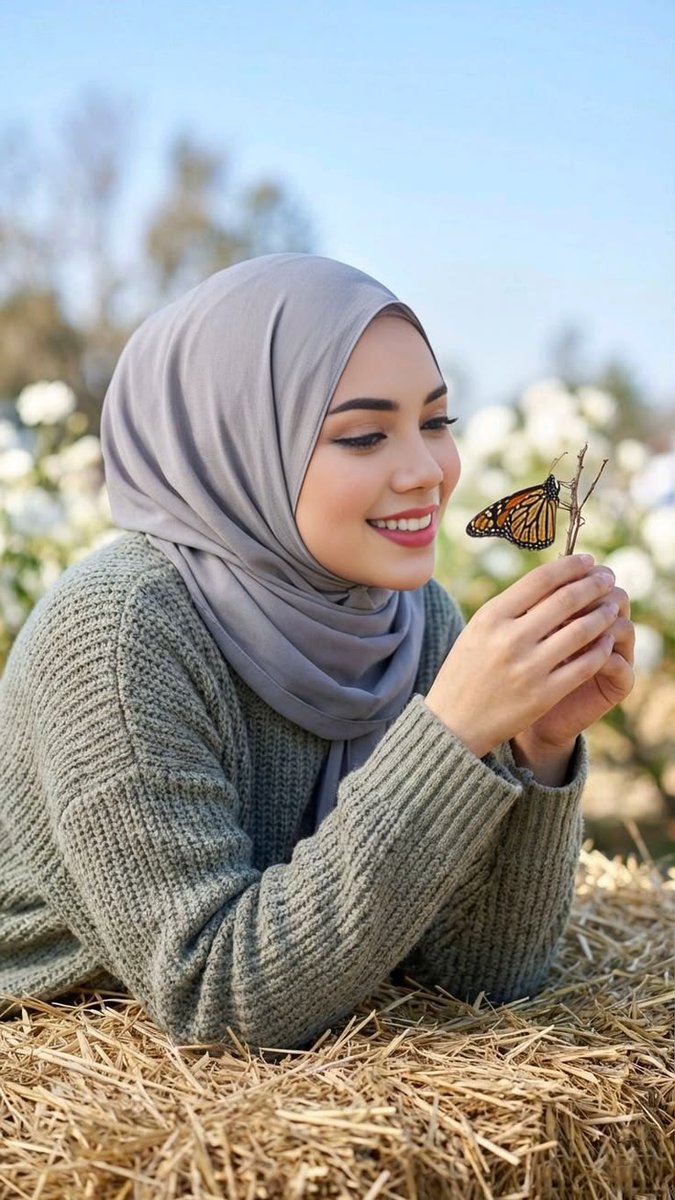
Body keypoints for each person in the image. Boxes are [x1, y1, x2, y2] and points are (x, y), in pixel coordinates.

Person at [0, 254, 634, 1052]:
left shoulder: (414, 620)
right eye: (364, 435)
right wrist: (447, 734)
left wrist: (537, 748)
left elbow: (475, 982)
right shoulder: (119, 634)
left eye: (436, 422)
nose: (425, 472)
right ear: (238, 443)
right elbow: (215, 1000)